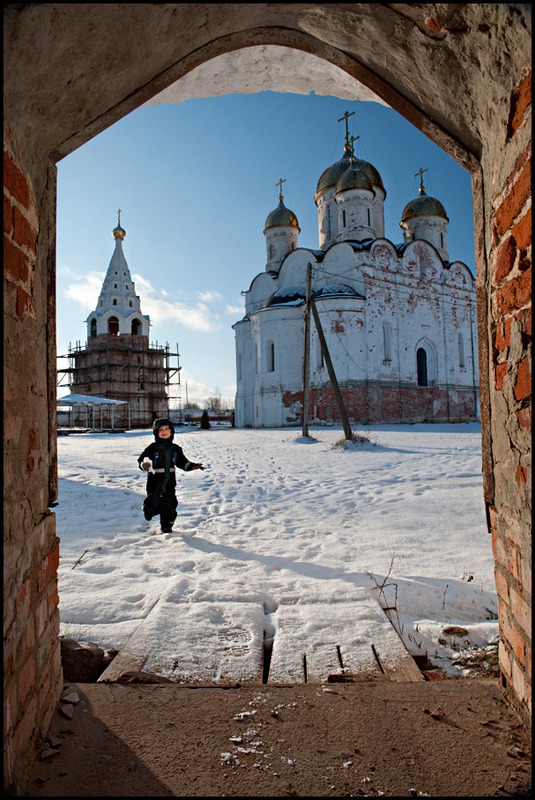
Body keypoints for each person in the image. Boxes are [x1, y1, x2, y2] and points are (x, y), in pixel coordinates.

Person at [137, 417, 204, 533]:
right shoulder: (153, 448)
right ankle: (148, 511)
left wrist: (193, 466)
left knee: (170, 504)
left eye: (167, 429)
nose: (164, 431)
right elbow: (143, 459)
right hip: (155, 481)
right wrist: (145, 464)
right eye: (161, 430)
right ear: (156, 432)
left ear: (171, 431)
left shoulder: (175, 449)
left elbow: (182, 462)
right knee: (153, 502)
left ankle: (167, 526)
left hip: (169, 483)